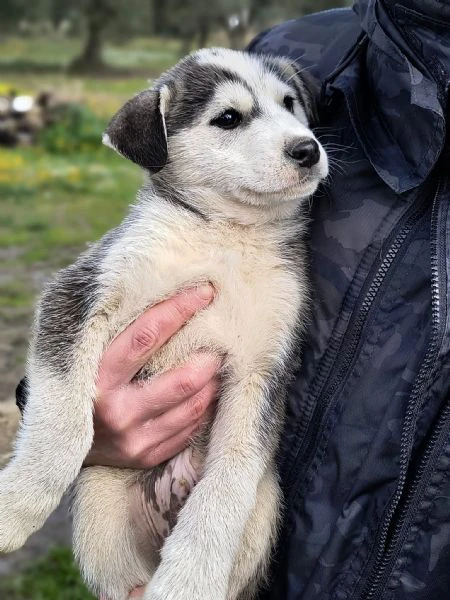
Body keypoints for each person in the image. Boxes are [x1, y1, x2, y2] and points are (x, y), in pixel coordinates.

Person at [16, 1, 450, 598]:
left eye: (290, 107)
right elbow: (71, 312)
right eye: (229, 119)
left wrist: (202, 562)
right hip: (128, 490)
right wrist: (62, 448)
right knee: (106, 525)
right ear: (158, 145)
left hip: (282, 546)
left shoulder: (278, 263)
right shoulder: (315, 48)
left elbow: (254, 414)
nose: (297, 137)